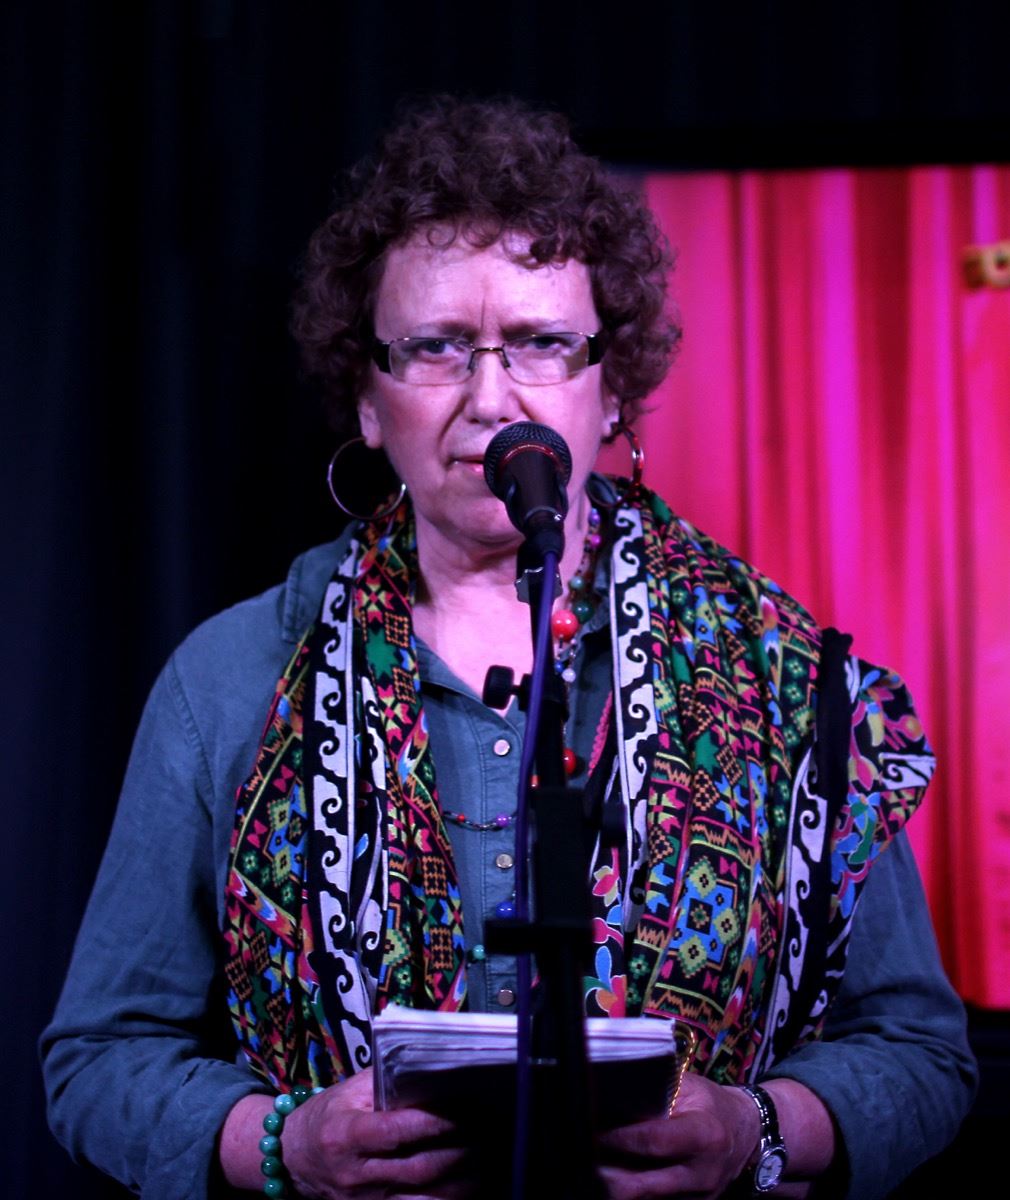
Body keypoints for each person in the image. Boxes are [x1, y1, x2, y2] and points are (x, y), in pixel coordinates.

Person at [42, 95, 976, 1200]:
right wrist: (285, 1144)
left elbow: (918, 1052)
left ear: (610, 387)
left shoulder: (785, 680)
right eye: (436, 347)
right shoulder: (230, 677)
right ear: (368, 397)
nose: (491, 400)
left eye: (539, 344)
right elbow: (99, 1059)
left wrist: (753, 1130)